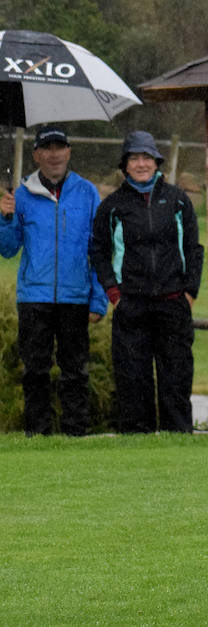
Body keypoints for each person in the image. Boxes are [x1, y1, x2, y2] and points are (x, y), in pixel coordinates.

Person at [89, 131, 204, 433]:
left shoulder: (178, 201)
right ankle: (136, 448)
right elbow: (98, 251)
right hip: (132, 307)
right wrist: (114, 294)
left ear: (156, 162)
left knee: (176, 379)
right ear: (125, 165)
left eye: (146, 158)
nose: (141, 164)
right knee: (133, 382)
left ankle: (178, 443)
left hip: (173, 305)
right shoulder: (112, 206)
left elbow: (194, 248)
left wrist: (189, 292)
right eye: (134, 158)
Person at [0, 126, 108, 436]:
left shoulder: (87, 192)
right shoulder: (21, 194)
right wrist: (5, 218)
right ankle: (38, 433)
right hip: (34, 297)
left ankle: (76, 433)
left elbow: (98, 249)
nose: (54, 153)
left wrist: (98, 298)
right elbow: (8, 249)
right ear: (36, 155)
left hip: (76, 297)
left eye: (60, 147)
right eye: (47, 147)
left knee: (75, 371)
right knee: (35, 370)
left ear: (69, 151)